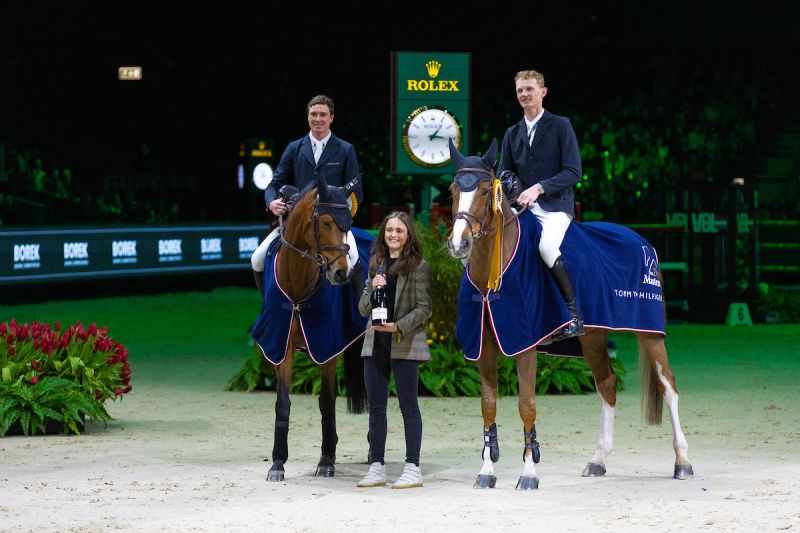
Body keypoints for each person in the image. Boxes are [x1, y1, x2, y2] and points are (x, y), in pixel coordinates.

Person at [498, 69, 584, 341]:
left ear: (543, 92)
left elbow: (573, 172)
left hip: (555, 206)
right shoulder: (512, 133)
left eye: (529, 89)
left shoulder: (560, 125)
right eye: (520, 90)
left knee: (546, 247)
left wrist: (539, 187)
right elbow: (503, 173)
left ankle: (574, 317)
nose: (524, 94)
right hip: (523, 207)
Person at [250, 94, 363, 296]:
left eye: (322, 114)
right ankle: (267, 311)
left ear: (331, 118)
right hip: (297, 222)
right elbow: (274, 184)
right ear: (308, 117)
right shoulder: (294, 148)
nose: (317, 118)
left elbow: (356, 191)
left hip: (332, 225)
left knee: (353, 258)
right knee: (257, 258)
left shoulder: (346, 149)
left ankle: (357, 315)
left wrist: (341, 218)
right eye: (313, 114)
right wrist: (271, 202)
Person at [356, 211, 432, 489]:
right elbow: (363, 307)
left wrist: (398, 326)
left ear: (408, 234)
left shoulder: (418, 266)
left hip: (405, 341)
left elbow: (425, 308)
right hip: (375, 341)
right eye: (389, 230)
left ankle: (413, 467)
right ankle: (377, 466)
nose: (393, 235)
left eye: (399, 230)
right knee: (376, 409)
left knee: (408, 407)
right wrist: (372, 288)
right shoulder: (375, 263)